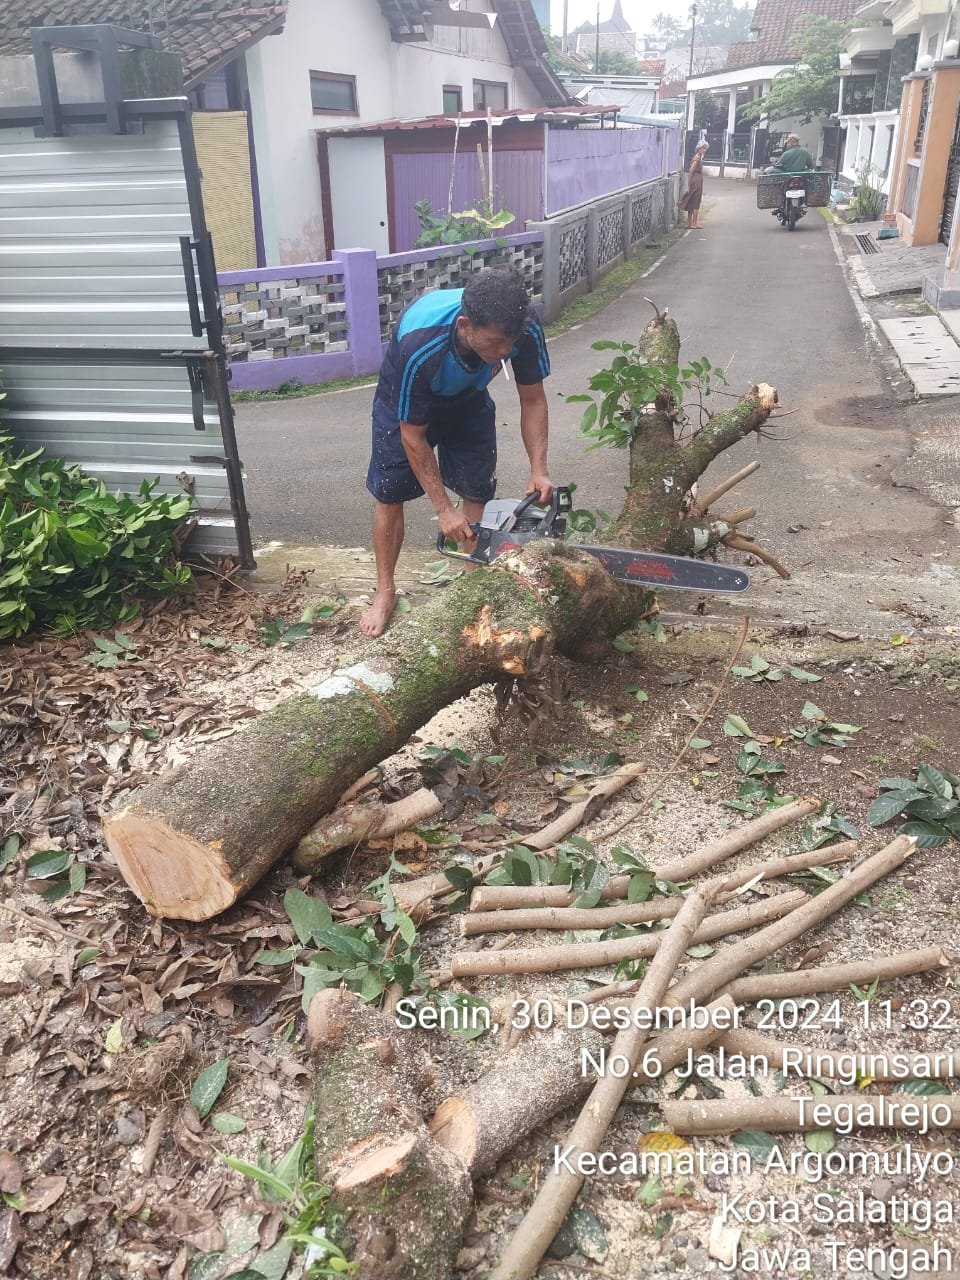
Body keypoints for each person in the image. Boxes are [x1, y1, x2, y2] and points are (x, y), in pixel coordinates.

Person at [359, 264, 553, 637]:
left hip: (468, 396)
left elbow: (533, 399)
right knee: (390, 493)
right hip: (406, 404)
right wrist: (443, 509)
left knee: (476, 488)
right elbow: (412, 436)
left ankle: (471, 590)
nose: (506, 351)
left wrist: (539, 469)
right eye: (497, 342)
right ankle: (385, 591)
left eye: (511, 340)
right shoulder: (421, 344)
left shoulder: (522, 327)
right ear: (465, 326)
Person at [678, 140, 708, 230]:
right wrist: (689, 183)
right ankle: (694, 223)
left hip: (696, 181)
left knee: (692, 201)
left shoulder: (699, 157)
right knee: (696, 202)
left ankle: (689, 223)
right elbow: (691, 171)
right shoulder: (697, 158)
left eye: (705, 148)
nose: (705, 150)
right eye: (703, 148)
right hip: (696, 183)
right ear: (699, 148)